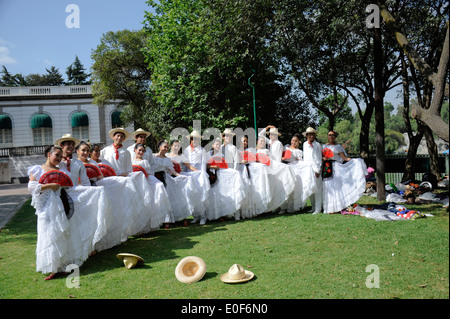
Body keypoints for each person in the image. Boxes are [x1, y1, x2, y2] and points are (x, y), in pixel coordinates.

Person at [28, 145, 111, 280]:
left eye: (61, 156)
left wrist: (94, 191)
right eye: (57, 155)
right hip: (46, 208)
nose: (59, 158)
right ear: (48, 154)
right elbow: (31, 187)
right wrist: (50, 185)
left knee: (64, 233)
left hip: (63, 204)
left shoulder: (62, 170)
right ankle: (53, 267)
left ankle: (63, 264)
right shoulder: (37, 169)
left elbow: (69, 186)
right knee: (49, 233)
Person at [101, 128, 166, 233]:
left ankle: (123, 230)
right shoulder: (105, 150)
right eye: (117, 136)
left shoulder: (125, 152)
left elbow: (128, 169)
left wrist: (125, 175)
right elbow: (101, 164)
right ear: (113, 137)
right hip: (109, 180)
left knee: (122, 205)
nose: (119, 138)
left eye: (122, 136)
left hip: (122, 180)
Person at [153, 140, 199, 226]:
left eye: (167, 147)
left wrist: (181, 176)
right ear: (160, 147)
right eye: (165, 147)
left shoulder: (167, 159)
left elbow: (172, 171)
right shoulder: (153, 157)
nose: (166, 149)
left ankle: (167, 221)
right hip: (154, 178)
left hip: (164, 178)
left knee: (167, 198)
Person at [321, 130, 367, 214]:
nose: (331, 137)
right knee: (328, 187)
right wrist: (324, 158)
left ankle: (338, 206)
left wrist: (355, 160)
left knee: (337, 187)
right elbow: (320, 157)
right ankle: (329, 208)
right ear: (327, 136)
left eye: (333, 135)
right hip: (326, 167)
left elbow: (345, 158)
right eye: (329, 135)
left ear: (335, 137)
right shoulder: (323, 146)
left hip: (336, 167)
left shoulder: (338, 147)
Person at [132, 143, 174, 229]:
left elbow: (149, 174)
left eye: (143, 151)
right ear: (135, 150)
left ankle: (146, 225)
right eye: (139, 150)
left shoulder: (144, 162)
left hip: (143, 183)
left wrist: (156, 183)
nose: (141, 152)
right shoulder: (131, 161)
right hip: (134, 184)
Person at [205, 138, 246, 222]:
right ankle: (212, 215)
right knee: (212, 195)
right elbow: (205, 166)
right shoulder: (207, 155)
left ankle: (222, 214)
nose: (218, 146)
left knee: (221, 195)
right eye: (216, 144)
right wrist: (212, 166)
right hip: (211, 176)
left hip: (221, 176)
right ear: (212, 145)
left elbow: (224, 166)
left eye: (219, 145)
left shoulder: (222, 155)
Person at [253, 135, 296, 213]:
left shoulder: (266, 151)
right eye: (260, 141)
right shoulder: (253, 151)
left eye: (263, 141)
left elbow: (272, 161)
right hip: (258, 174)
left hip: (268, 171)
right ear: (257, 142)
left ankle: (281, 206)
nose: (262, 142)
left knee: (274, 187)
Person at [281, 133, 316, 213]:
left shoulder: (299, 151)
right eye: (293, 140)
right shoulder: (285, 148)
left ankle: (295, 206)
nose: (294, 142)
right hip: (288, 168)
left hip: (297, 168)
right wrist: (283, 158)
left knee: (296, 186)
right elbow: (282, 157)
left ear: (298, 142)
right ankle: (284, 206)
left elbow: (300, 160)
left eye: (296, 141)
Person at [182, 130, 210, 225]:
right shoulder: (186, 150)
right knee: (192, 196)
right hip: (190, 175)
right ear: (190, 139)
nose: (195, 141)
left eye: (197, 139)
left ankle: (203, 216)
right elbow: (185, 164)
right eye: (193, 139)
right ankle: (196, 216)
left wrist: (202, 174)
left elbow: (203, 164)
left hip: (199, 175)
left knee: (201, 195)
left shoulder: (202, 150)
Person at [302, 127, 323, 214]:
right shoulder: (304, 144)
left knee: (317, 188)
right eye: (309, 134)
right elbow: (305, 157)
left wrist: (317, 170)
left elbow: (318, 158)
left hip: (315, 168)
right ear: (306, 136)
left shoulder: (317, 145)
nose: (311, 136)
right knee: (310, 187)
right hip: (307, 168)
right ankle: (313, 206)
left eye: (312, 134)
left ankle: (318, 208)